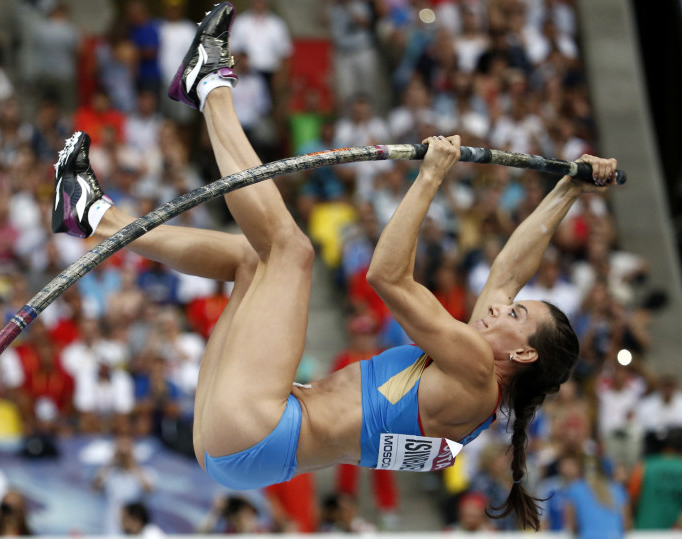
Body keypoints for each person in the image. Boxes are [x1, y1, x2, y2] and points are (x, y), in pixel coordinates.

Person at [50, 2, 620, 530]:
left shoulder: (475, 368)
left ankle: (209, 86)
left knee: (292, 252)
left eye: (515, 313)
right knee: (251, 259)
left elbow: (386, 276)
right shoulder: (475, 375)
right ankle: (94, 215)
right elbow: (509, 268)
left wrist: (429, 177)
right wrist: (568, 189)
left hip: (260, 430)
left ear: (521, 353)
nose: (498, 303)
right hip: (239, 445)